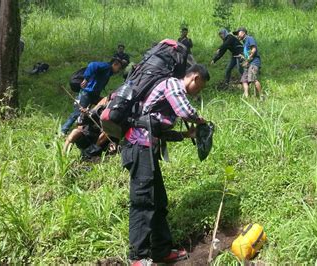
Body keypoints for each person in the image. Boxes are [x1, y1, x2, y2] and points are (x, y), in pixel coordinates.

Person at [122, 64, 210, 265]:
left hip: (148, 150)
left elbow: (158, 130)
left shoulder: (169, 95)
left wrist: (185, 135)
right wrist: (201, 121)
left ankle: (161, 250)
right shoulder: (172, 84)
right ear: (194, 78)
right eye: (201, 87)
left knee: (159, 201)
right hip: (138, 147)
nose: (198, 92)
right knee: (143, 202)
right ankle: (137, 257)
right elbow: (186, 112)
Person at [61, 58, 123, 135]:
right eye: (119, 68)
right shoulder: (106, 66)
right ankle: (63, 130)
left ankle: (85, 128)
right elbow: (92, 65)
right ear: (115, 64)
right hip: (87, 92)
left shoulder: (108, 71)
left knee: (102, 106)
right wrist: (86, 79)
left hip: (94, 94)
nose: (118, 70)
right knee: (77, 112)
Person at [233, 27, 262, 98]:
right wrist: (243, 57)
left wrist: (248, 59)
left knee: (253, 79)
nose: (237, 36)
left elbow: (254, 49)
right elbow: (247, 54)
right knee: (244, 80)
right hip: (248, 64)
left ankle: (261, 96)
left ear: (243, 32)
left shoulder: (250, 38)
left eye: (238, 33)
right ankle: (246, 97)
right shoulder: (244, 42)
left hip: (254, 62)